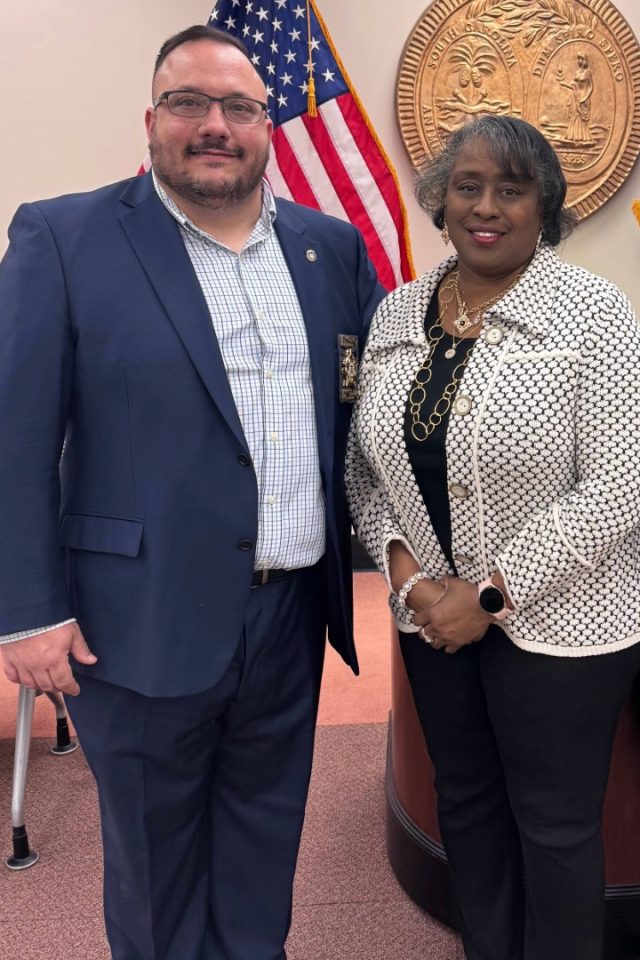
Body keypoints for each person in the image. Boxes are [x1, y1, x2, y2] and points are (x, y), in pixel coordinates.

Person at [0, 24, 382, 960]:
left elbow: (370, 414)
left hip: (289, 620)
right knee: (157, 878)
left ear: (268, 126)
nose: (215, 126)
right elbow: (13, 436)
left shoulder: (331, 251)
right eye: (189, 104)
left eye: (239, 108)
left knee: (262, 860)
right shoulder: (64, 235)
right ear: (151, 120)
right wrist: (26, 613)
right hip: (135, 625)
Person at [345, 115, 640, 960]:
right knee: (468, 806)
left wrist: (486, 596)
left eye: (511, 190)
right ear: (440, 202)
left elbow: (618, 490)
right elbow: (365, 476)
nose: (487, 207)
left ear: (544, 206)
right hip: (433, 625)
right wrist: (414, 587)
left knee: (554, 828)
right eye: (468, 187)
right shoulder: (399, 311)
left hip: (569, 624)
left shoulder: (594, 313)